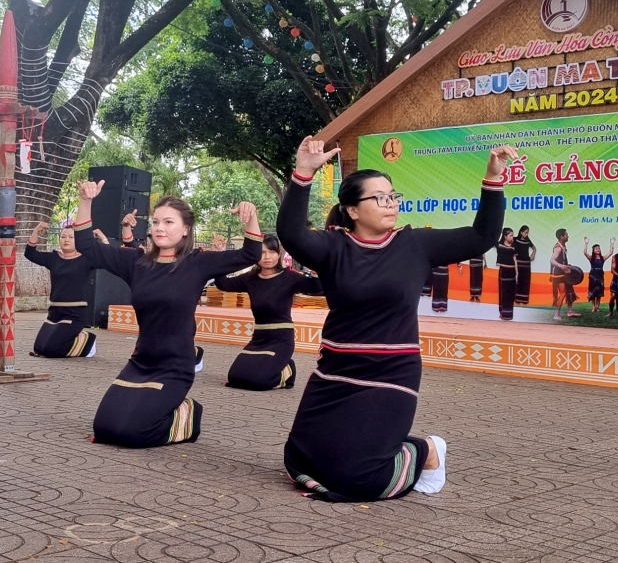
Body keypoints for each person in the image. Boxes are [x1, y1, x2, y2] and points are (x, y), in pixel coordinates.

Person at [278, 136, 512, 502]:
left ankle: (427, 450)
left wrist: (493, 178)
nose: (390, 203)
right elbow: (291, 234)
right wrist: (303, 173)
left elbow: (483, 236)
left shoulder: (415, 244)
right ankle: (372, 442)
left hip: (391, 374)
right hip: (336, 371)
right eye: (379, 197)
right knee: (302, 460)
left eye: (392, 196)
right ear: (353, 210)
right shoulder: (333, 246)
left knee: (359, 479)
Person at [75, 181, 261, 448]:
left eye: (169, 222)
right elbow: (87, 246)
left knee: (133, 434)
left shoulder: (198, 262)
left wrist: (251, 216)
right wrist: (85, 200)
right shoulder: (136, 263)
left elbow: (250, 253)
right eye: (155, 222)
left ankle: (188, 416)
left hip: (175, 365)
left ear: (185, 229)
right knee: (105, 429)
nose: (160, 228)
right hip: (141, 362)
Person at [214, 234, 321, 390]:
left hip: (281, 340)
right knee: (235, 378)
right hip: (258, 339)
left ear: (279, 254)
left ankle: (288, 370)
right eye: (262, 252)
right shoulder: (250, 278)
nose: (267, 257)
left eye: (272, 252)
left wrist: (315, 263)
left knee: (258, 382)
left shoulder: (289, 277)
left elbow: (316, 287)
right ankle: (274, 368)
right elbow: (223, 284)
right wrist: (220, 255)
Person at [24, 220, 98, 359]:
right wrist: (37, 230)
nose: (66, 240)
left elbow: (107, 257)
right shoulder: (54, 258)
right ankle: (73, 339)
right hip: (55, 312)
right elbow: (30, 254)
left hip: (74, 313)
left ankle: (88, 342)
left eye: (71, 237)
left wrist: (102, 239)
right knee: (40, 349)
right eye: (63, 237)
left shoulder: (87, 259)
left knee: (52, 350)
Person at [550, 229, 579, 320]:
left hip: (564, 273)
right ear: (561, 237)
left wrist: (566, 266)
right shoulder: (558, 247)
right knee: (563, 293)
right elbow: (552, 260)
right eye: (566, 235)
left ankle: (570, 311)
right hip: (559, 274)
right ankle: (557, 314)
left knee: (569, 291)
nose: (568, 236)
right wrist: (561, 266)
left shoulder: (563, 246)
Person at [582, 237, 608, 314]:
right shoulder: (591, 258)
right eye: (596, 248)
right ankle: (593, 307)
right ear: (593, 250)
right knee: (593, 292)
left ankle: (598, 307)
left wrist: (612, 244)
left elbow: (610, 252)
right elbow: (585, 252)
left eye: (599, 248)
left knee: (599, 293)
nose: (598, 249)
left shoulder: (603, 258)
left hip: (600, 275)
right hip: (593, 275)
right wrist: (586, 243)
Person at [495, 228, 517, 320]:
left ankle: (509, 315)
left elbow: (515, 260)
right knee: (503, 293)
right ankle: (502, 313)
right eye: (510, 236)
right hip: (503, 271)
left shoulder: (514, 247)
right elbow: (492, 238)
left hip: (512, 272)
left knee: (510, 293)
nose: (512, 237)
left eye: (512, 235)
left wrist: (517, 273)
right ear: (505, 236)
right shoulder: (499, 245)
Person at [512, 226, 535, 305]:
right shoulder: (515, 240)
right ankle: (517, 299)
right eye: (525, 232)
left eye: (527, 233)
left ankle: (524, 299)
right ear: (521, 232)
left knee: (526, 281)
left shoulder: (528, 241)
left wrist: (532, 255)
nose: (526, 234)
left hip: (526, 264)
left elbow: (534, 248)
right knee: (518, 281)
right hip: (518, 263)